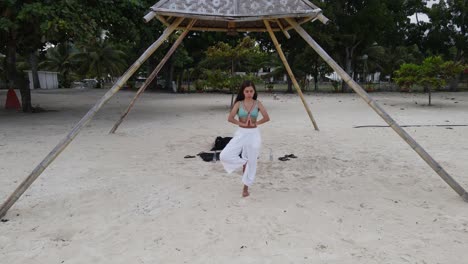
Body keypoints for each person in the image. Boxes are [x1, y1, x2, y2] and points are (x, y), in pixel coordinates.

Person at [220, 80, 270, 197]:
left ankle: (245, 188)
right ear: (243, 92)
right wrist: (241, 123)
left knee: (252, 163)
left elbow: (267, 117)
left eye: (251, 91)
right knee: (224, 155)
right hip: (241, 133)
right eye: (247, 91)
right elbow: (230, 118)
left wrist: (256, 123)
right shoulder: (238, 104)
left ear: (254, 92)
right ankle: (245, 161)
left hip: (254, 134)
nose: (249, 93)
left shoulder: (258, 103)